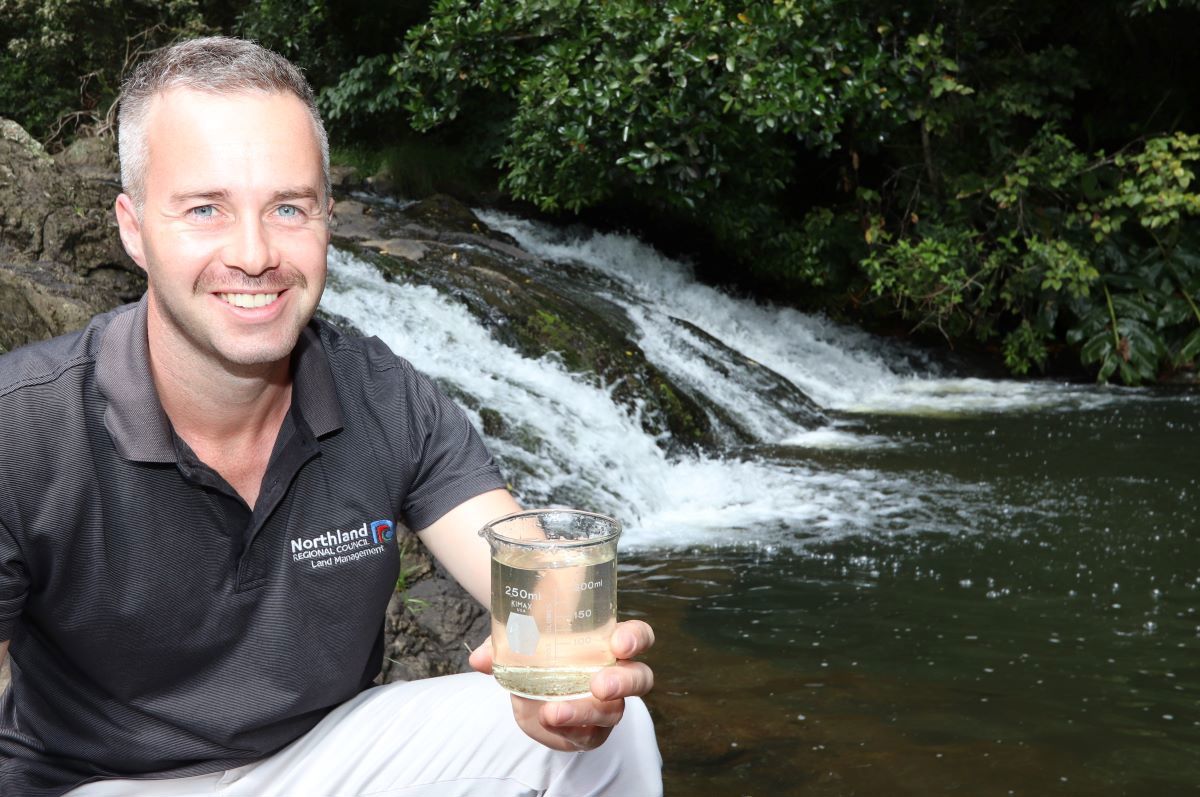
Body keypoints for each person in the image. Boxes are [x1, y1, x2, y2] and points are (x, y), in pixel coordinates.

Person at [0, 36, 661, 797]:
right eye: (205, 208)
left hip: (327, 761)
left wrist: (577, 678)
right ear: (132, 226)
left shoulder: (383, 393)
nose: (253, 253)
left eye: (287, 207)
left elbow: (537, 591)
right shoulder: (25, 428)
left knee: (616, 733)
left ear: (327, 218)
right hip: (100, 783)